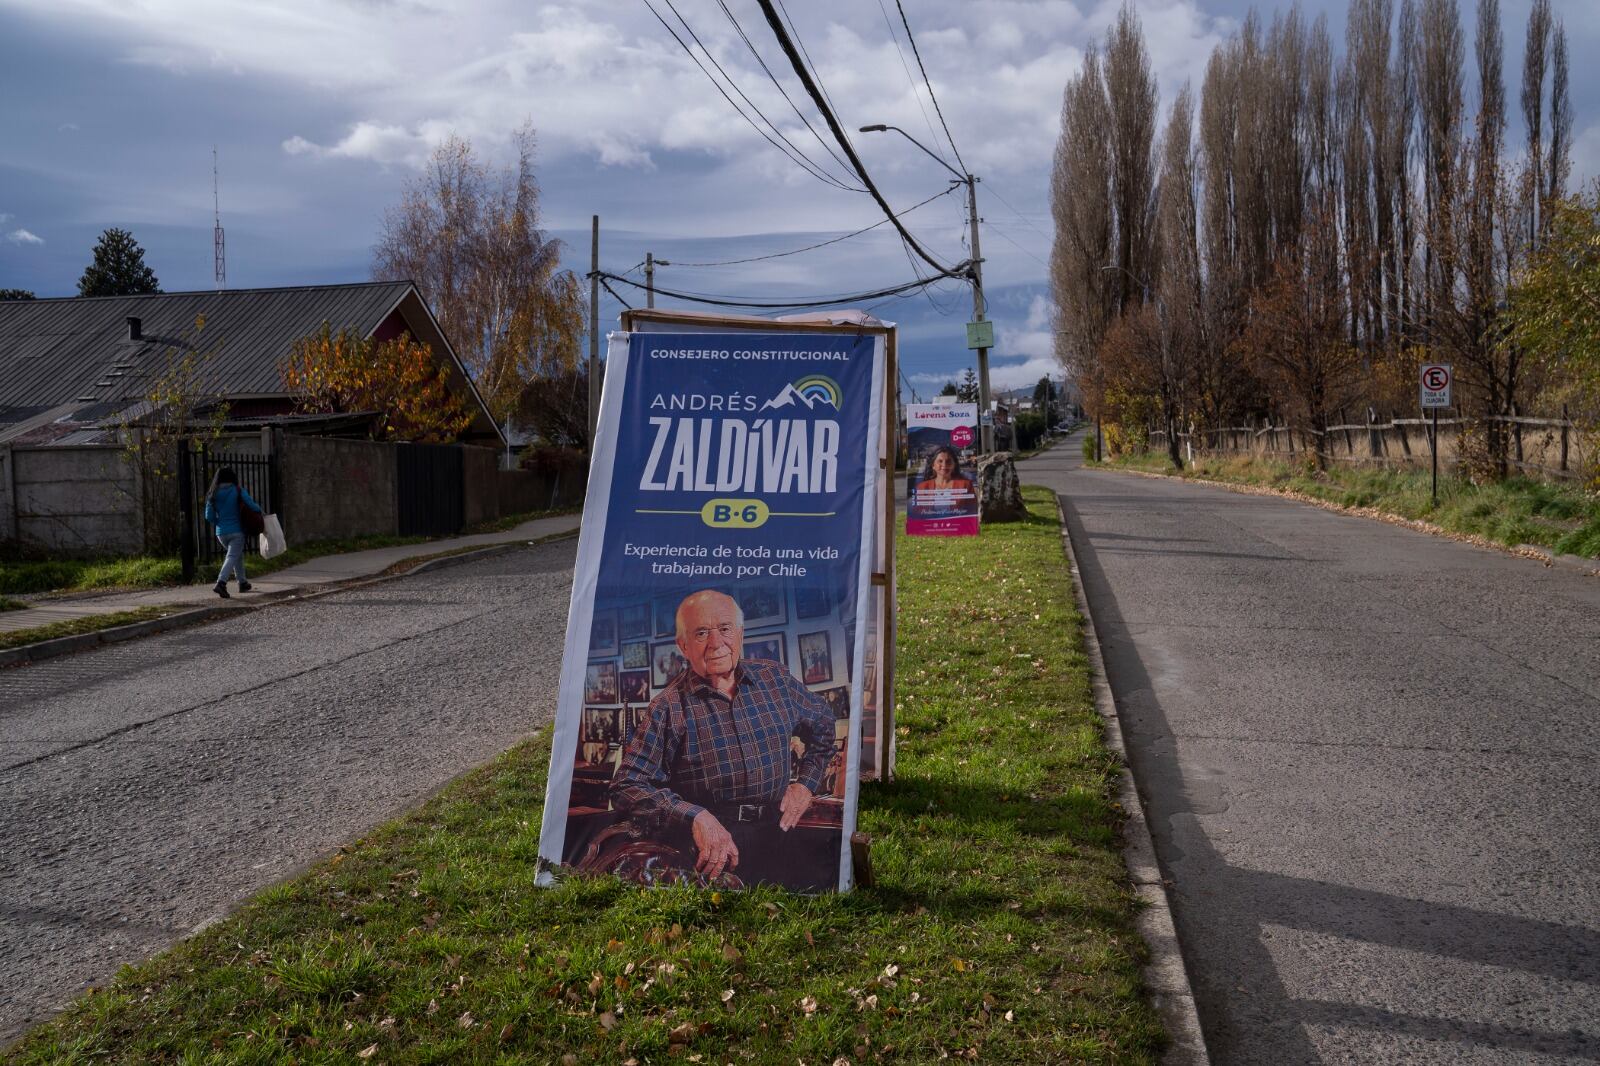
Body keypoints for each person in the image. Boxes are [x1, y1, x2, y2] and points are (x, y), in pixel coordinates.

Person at [612, 589, 837, 888]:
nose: (717, 643)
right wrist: (695, 817)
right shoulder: (668, 707)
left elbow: (824, 725)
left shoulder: (775, 680)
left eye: (725, 629)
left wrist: (806, 784)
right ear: (684, 645)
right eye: (702, 633)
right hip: (712, 849)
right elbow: (627, 786)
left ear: (741, 634)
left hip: (780, 830)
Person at [202, 467, 263, 599]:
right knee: (232, 557)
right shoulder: (237, 490)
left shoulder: (212, 493)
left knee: (237, 556)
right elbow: (252, 505)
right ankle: (221, 583)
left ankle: (243, 582)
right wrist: (260, 511)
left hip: (221, 533)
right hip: (237, 531)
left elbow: (208, 516)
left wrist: (219, 522)